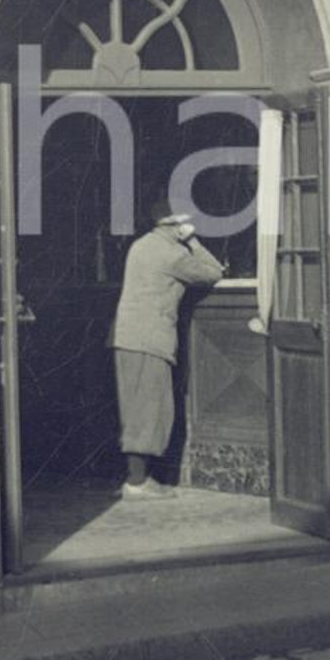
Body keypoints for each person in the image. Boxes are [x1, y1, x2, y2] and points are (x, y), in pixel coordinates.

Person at [112, 198, 224, 498]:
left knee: (137, 407)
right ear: (176, 225)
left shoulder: (141, 245)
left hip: (129, 337)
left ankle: (138, 478)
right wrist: (195, 241)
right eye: (186, 222)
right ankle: (137, 483)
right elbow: (214, 272)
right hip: (150, 338)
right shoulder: (172, 253)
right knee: (150, 409)